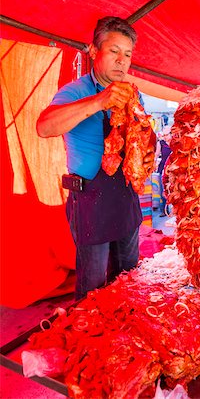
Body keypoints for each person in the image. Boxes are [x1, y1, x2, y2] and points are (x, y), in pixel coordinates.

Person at [37, 16, 155, 300]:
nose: (122, 61)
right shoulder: (75, 91)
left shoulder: (133, 96)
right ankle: (89, 337)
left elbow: (142, 140)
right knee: (93, 286)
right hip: (90, 199)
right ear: (93, 51)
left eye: (127, 54)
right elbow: (44, 127)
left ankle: (125, 334)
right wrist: (100, 101)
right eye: (114, 51)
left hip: (126, 196)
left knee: (128, 276)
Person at [155, 125, 172, 217]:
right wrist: (153, 163)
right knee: (163, 190)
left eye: (166, 135)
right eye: (164, 135)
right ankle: (164, 210)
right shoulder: (161, 143)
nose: (165, 137)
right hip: (162, 168)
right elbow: (157, 154)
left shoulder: (175, 143)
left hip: (172, 169)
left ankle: (174, 209)